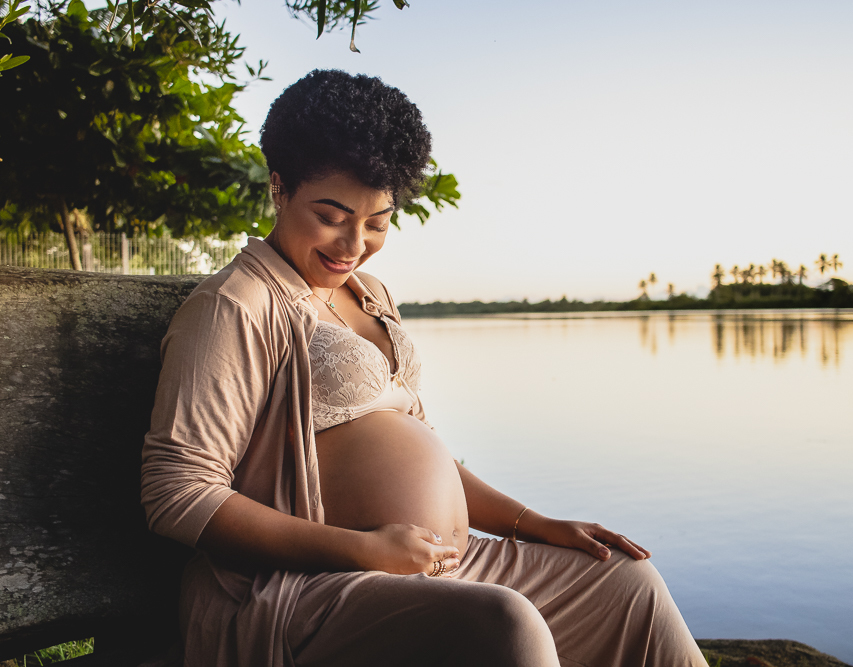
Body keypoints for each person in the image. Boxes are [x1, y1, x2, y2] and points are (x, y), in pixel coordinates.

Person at [141, 69, 708, 667]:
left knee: (625, 584)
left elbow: (423, 449)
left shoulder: (370, 295)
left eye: (377, 222)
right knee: (507, 625)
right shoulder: (237, 304)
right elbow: (178, 493)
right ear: (279, 189)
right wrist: (364, 551)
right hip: (304, 587)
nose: (352, 244)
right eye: (332, 215)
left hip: (438, 566)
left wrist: (534, 522)